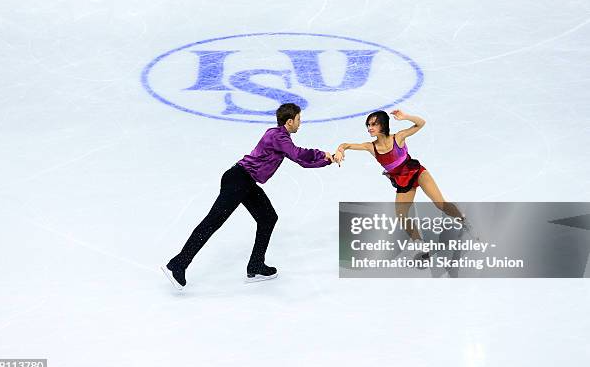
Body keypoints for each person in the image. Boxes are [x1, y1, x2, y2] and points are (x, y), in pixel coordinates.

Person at [162, 103, 334, 290]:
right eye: (299, 120)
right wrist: (323, 155)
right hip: (238, 180)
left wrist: (327, 160)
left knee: (268, 217)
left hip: (245, 182)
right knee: (212, 222)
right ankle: (178, 264)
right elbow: (298, 155)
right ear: (289, 121)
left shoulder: (279, 136)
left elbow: (301, 160)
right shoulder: (278, 136)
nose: (300, 124)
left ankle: (256, 265)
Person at [334, 110, 471, 254]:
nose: (370, 128)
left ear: (383, 125)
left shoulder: (398, 137)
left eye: (374, 124)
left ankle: (463, 221)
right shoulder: (371, 147)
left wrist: (406, 117)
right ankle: (419, 243)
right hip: (402, 182)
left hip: (417, 173)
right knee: (401, 214)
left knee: (440, 203)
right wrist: (340, 150)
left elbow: (421, 123)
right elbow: (346, 145)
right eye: (368, 125)